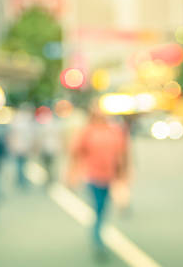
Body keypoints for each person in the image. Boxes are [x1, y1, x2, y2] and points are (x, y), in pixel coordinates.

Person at [70, 106, 127, 254]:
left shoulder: (114, 131)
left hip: (109, 175)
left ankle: (98, 233)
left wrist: (122, 173)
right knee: (99, 206)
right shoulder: (87, 132)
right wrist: (72, 173)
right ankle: (97, 237)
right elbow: (76, 152)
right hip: (92, 175)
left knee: (104, 207)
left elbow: (121, 153)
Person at [9, 106, 34, 189]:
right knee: (22, 165)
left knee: (20, 165)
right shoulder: (25, 124)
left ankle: (20, 180)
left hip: (19, 147)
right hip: (22, 147)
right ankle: (21, 180)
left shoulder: (17, 123)